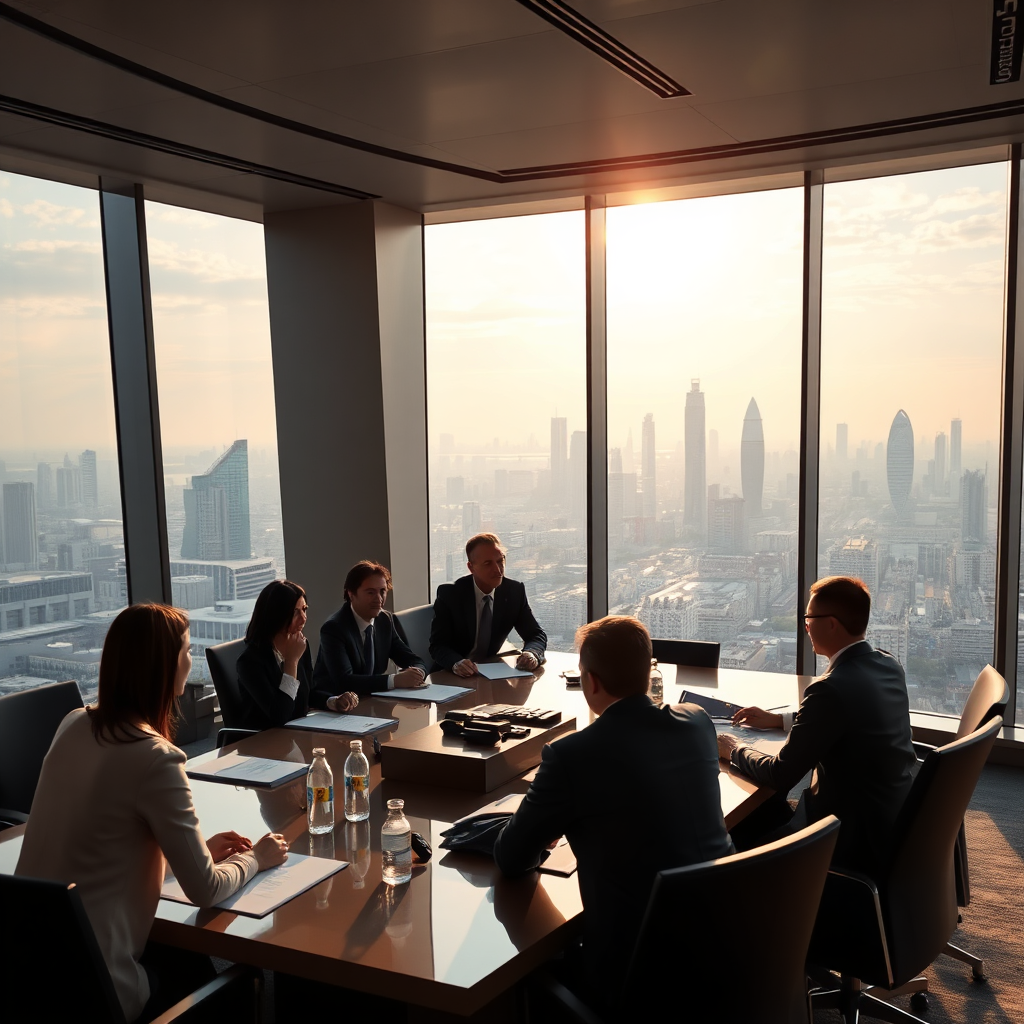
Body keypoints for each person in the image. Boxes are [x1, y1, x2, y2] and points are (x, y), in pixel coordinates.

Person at [15, 603, 289, 1023]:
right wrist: (256, 857)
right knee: (228, 974)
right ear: (164, 666)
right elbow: (207, 891)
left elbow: (103, 848)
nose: (191, 660)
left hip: (34, 970)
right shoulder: (155, 757)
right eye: (186, 650)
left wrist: (193, 854)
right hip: (101, 987)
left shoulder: (73, 723)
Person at [494, 616, 733, 1003]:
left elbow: (511, 857)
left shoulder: (571, 755)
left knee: (522, 979)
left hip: (635, 976)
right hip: (724, 948)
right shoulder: (697, 722)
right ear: (648, 670)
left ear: (590, 682)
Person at [718, 575, 916, 874]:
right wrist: (780, 719)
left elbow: (780, 774)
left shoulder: (830, 689)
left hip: (844, 835)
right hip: (890, 816)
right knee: (767, 809)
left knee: (728, 835)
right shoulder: (887, 664)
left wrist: (733, 749)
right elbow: (851, 719)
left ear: (832, 624)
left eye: (809, 619)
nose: (806, 627)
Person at [237, 579, 356, 729]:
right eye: (295, 612)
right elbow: (279, 716)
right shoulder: (250, 662)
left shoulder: (299, 646)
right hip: (263, 741)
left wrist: (333, 701)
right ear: (275, 615)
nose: (304, 618)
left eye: (304, 609)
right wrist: (291, 662)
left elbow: (308, 693)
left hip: (296, 736)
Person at [429, 532, 547, 677]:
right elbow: (438, 645)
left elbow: (535, 635)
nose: (498, 570)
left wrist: (532, 654)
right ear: (471, 567)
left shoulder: (514, 592)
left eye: (500, 561)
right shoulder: (451, 595)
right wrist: (456, 663)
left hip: (492, 673)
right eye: (488, 563)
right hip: (453, 676)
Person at [311, 559, 429, 700]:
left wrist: (418, 673)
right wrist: (394, 680)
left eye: (382, 591)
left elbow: (412, 659)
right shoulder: (334, 628)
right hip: (338, 705)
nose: (378, 599)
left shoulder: (384, 620)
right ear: (351, 594)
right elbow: (344, 681)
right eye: (370, 592)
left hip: (372, 700)